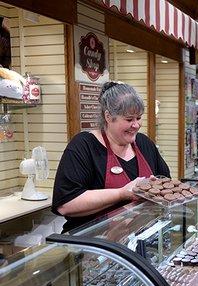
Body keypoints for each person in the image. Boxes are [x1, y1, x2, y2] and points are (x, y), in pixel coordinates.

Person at [52, 81, 170, 232]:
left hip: (139, 240)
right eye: (129, 119)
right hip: (94, 246)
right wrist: (122, 193)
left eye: (138, 118)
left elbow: (165, 184)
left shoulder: (144, 143)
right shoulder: (84, 146)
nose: (136, 125)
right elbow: (66, 205)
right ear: (108, 116)